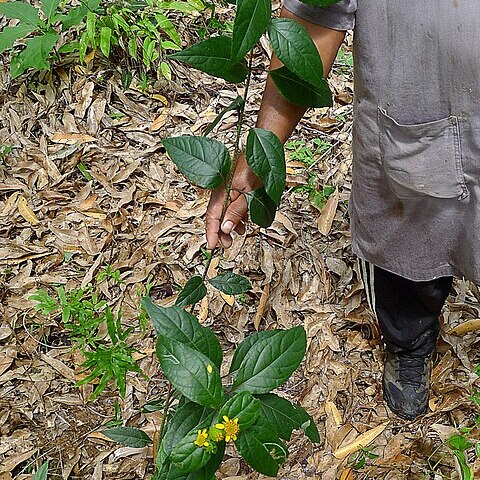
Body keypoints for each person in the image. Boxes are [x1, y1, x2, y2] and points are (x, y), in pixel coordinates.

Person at [205, 1, 480, 420]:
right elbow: (313, 27)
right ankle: (409, 340)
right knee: (409, 253)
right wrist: (258, 160)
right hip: (421, 133)